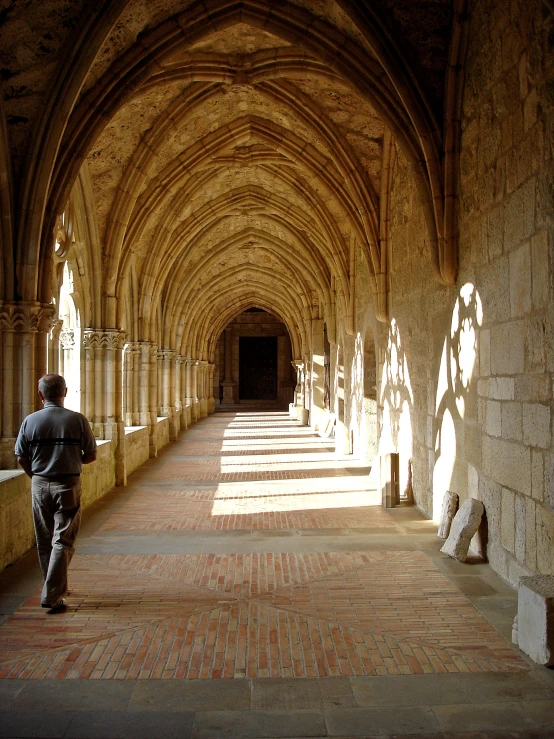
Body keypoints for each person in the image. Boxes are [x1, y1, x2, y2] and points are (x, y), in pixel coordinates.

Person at [15, 374, 97, 612]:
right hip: (68, 484)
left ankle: (53, 585)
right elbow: (91, 454)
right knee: (63, 539)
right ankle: (53, 594)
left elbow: (21, 457)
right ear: (66, 392)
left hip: (40, 483)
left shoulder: (30, 421)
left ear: (41, 395)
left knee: (45, 538)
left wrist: (37, 476)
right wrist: (71, 461)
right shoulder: (77, 420)